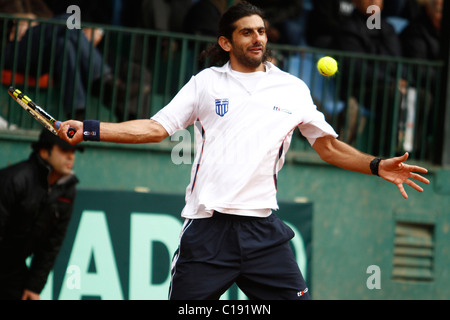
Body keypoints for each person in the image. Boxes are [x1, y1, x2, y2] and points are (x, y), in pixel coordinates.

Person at [57, 1, 429, 300]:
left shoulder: (293, 88)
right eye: (247, 32)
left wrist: (376, 164)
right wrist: (91, 128)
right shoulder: (205, 83)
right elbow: (156, 128)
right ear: (225, 42)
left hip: (263, 233)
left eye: (262, 31)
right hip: (207, 232)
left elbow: (328, 147)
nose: (257, 38)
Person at [0, 0, 129, 120]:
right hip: (9, 50)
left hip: (35, 52)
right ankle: (103, 80)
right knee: (66, 21)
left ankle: (77, 114)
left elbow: (47, 16)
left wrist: (33, 19)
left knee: (64, 44)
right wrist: (17, 18)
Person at [0, 129, 82, 300]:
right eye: (64, 150)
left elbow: (52, 244)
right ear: (44, 152)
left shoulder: (67, 191)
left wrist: (34, 286)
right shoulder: (14, 180)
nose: (71, 157)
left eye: (73, 151)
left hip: (14, 272)